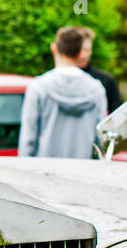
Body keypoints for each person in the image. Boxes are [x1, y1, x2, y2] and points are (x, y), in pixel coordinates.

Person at [18, 26, 108, 159]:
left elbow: (28, 140)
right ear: (80, 52)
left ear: (55, 48)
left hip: (43, 174)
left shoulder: (38, 87)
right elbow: (100, 141)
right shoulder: (96, 89)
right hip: (83, 172)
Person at [74, 26, 123, 113]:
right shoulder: (58, 80)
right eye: (79, 50)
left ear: (91, 50)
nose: (83, 55)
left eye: (86, 50)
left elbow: (117, 117)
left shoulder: (107, 81)